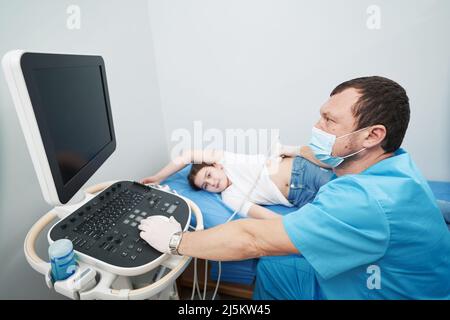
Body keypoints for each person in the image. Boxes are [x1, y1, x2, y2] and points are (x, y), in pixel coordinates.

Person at [138, 76, 450, 299]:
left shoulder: (359, 201)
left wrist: (177, 240)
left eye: (329, 120)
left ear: (372, 136)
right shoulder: (395, 165)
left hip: (385, 289)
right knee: (278, 265)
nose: (317, 127)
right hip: (415, 274)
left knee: (274, 265)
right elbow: (256, 216)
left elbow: (251, 238)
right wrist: (297, 151)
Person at [141, 147, 333, 220]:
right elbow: (263, 215)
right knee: (341, 213)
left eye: (208, 175)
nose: (211, 182)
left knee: (349, 187)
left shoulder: (227, 160)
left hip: (303, 170)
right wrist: (292, 224)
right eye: (205, 186)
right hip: (300, 198)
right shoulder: (230, 198)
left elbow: (188, 155)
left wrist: (158, 177)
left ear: (216, 165)